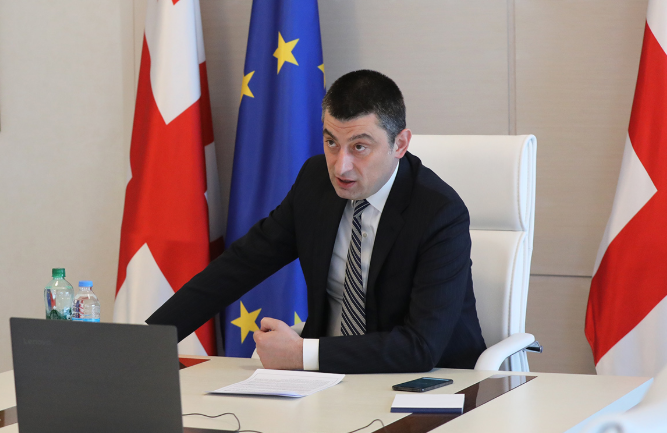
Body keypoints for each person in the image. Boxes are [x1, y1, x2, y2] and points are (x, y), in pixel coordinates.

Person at [147, 70, 486, 373]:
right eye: (331, 143)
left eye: (360, 147)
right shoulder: (315, 183)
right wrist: (151, 340)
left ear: (400, 143)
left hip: (430, 382)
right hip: (327, 379)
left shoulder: (439, 213)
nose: (341, 166)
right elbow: (240, 264)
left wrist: (302, 354)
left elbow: (420, 347)